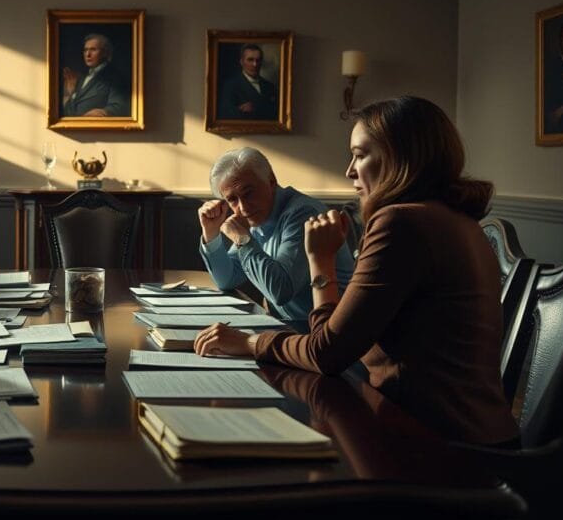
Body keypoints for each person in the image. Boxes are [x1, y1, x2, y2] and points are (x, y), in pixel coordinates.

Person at [194, 96, 519, 446]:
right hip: (468, 433)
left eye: (360, 155)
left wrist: (249, 339)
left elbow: (326, 353)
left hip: (436, 447)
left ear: (401, 156)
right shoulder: (454, 218)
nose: (349, 170)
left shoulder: (400, 222)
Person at [198, 147, 355, 331]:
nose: (243, 207)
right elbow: (227, 279)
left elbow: (281, 291)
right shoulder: (257, 217)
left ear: (271, 181)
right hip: (291, 329)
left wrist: (242, 239)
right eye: (232, 199)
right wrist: (211, 233)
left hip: (329, 333)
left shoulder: (303, 214)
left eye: (248, 193)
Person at [61, 33, 129, 117]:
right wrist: (70, 94)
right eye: (85, 50)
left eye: (93, 50)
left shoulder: (115, 76)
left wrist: (104, 112)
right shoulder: (82, 78)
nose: (88, 54)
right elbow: (69, 113)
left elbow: (121, 107)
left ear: (105, 53)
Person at [218, 43, 279, 120]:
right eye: (250, 60)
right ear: (241, 62)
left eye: (258, 60)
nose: (255, 64)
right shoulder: (230, 86)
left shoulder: (270, 86)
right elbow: (225, 115)